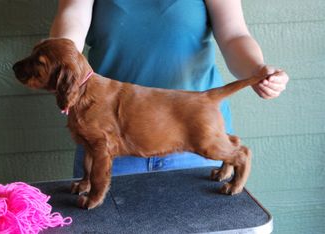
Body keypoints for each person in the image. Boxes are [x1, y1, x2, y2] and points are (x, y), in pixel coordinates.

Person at [50, 0, 289, 178]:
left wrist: (257, 70)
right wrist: (61, 61)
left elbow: (234, 35)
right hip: (110, 139)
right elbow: (73, 16)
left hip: (195, 136)